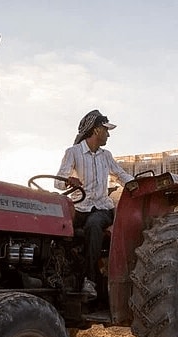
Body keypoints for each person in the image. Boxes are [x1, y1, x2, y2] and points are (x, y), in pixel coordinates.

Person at [56, 109, 134, 300]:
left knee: (93, 225)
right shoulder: (73, 152)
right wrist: (68, 181)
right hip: (80, 207)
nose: (108, 134)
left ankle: (89, 280)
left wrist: (134, 184)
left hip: (101, 208)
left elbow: (120, 174)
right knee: (57, 227)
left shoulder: (106, 155)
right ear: (96, 130)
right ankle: (59, 274)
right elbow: (57, 183)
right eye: (106, 130)